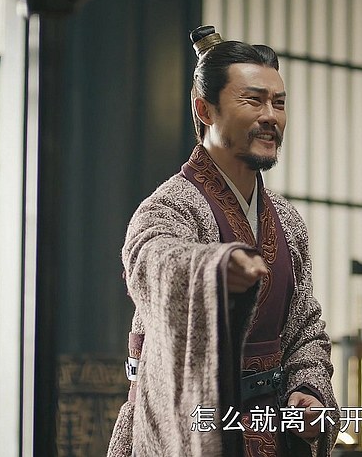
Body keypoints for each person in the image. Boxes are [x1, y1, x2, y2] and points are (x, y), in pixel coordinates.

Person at [107, 26, 339, 457]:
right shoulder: (169, 207)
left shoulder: (287, 220)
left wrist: (309, 391)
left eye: (279, 103)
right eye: (253, 100)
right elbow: (151, 259)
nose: (270, 116)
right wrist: (213, 268)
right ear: (205, 109)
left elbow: (304, 326)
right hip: (187, 432)